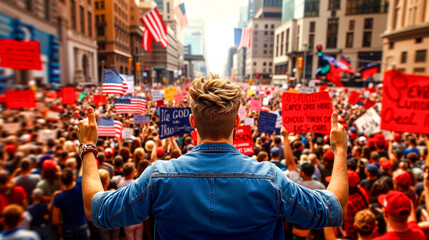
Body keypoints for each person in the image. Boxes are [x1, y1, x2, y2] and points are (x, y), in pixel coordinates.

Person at [79, 74, 349, 239]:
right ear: (237, 123)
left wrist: (89, 147)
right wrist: (340, 151)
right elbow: (334, 209)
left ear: (192, 123)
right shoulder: (270, 179)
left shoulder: (158, 177)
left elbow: (97, 210)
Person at [52, 168, 89, 240]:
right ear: (73, 178)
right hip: (82, 224)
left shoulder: (58, 197)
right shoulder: (79, 186)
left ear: (62, 181)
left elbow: (55, 221)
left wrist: (60, 226)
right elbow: (82, 172)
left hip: (68, 228)